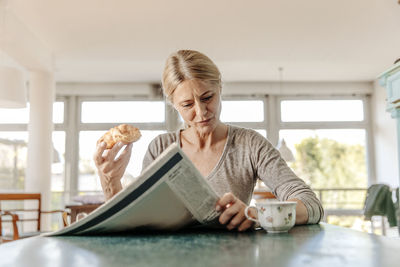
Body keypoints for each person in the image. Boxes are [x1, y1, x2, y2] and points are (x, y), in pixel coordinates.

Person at [93, 49, 324, 231]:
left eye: (207, 97)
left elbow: (312, 205)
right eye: (187, 105)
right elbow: (135, 222)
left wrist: (257, 215)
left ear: (220, 88)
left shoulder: (250, 145)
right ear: (174, 105)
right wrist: (111, 182)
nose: (202, 112)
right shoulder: (161, 148)